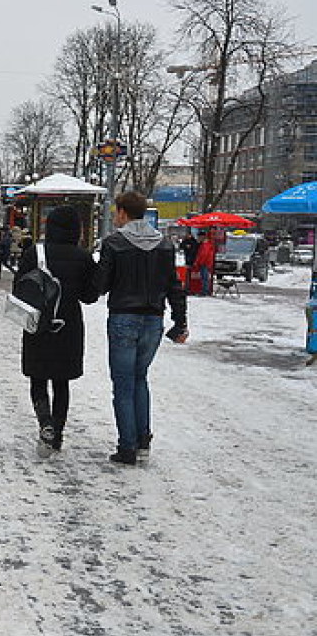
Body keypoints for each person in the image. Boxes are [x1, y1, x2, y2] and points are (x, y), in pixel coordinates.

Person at [95, 191, 189, 465]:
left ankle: (127, 447)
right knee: (140, 378)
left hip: (123, 317)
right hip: (154, 320)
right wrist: (180, 320)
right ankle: (143, 440)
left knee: (123, 384)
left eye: (116, 212)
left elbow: (100, 285)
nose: (114, 217)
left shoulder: (114, 243)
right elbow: (174, 286)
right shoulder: (164, 245)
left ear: (124, 212)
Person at [15, 205, 99, 456]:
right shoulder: (83, 257)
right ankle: (57, 436)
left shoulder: (34, 252)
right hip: (68, 326)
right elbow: (90, 296)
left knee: (38, 379)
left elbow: (20, 288)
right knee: (62, 383)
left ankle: (45, 423)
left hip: (38, 325)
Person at [192, 231, 216, 296]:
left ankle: (204, 291)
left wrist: (198, 262)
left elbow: (203, 255)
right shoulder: (206, 244)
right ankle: (205, 290)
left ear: (202, 237)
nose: (198, 238)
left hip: (204, 263)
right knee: (205, 277)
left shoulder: (205, 245)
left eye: (199, 237)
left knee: (204, 278)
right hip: (206, 263)